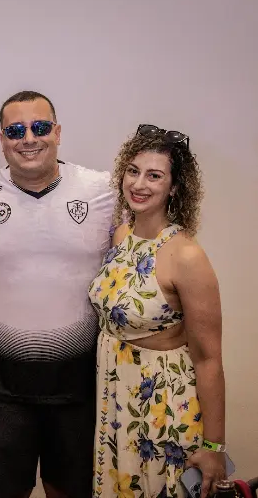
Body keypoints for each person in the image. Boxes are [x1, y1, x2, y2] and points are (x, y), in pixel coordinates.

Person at [0, 91, 115, 498]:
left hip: (79, 385)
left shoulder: (104, 190)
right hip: (1, 389)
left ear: (57, 132)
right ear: (1, 139)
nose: (28, 138)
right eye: (15, 130)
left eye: (39, 127)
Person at [89, 125, 225, 498]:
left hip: (163, 405)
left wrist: (214, 447)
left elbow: (209, 359)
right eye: (133, 171)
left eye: (154, 176)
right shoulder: (122, 236)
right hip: (117, 398)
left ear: (174, 187)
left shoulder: (186, 256)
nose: (139, 184)